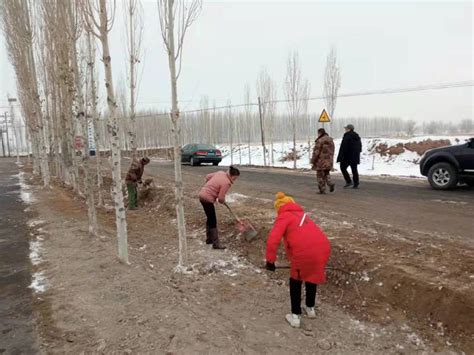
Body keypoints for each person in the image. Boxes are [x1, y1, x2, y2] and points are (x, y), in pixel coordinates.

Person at [265, 192, 331, 328]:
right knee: (311, 274)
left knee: (296, 280)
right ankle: (310, 308)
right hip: (322, 248)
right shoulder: (302, 215)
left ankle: (295, 316)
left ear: (278, 208)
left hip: (304, 252)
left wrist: (270, 261)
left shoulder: (283, 217)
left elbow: (273, 240)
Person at [198, 166, 240, 250]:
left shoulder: (220, 173)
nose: (235, 180)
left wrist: (209, 187)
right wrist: (222, 201)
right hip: (207, 199)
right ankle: (215, 244)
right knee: (213, 220)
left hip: (201, 195)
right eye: (235, 178)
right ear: (232, 175)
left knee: (210, 218)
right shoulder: (227, 183)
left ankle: (209, 239)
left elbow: (207, 177)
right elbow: (221, 198)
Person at [336, 124, 362, 189]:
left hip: (347, 156)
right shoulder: (357, 136)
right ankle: (356, 183)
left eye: (346, 128)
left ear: (349, 129)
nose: (345, 129)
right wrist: (356, 153)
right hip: (355, 156)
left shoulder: (347, 136)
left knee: (342, 167)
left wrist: (341, 157)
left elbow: (343, 147)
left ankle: (349, 181)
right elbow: (360, 147)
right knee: (354, 170)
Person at [311, 128, 335, 194]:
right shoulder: (330, 140)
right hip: (329, 160)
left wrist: (313, 160)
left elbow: (316, 152)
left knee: (319, 175)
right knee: (326, 173)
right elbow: (332, 151)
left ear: (319, 133)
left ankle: (322, 189)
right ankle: (330, 183)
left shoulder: (320, 140)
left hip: (320, 161)